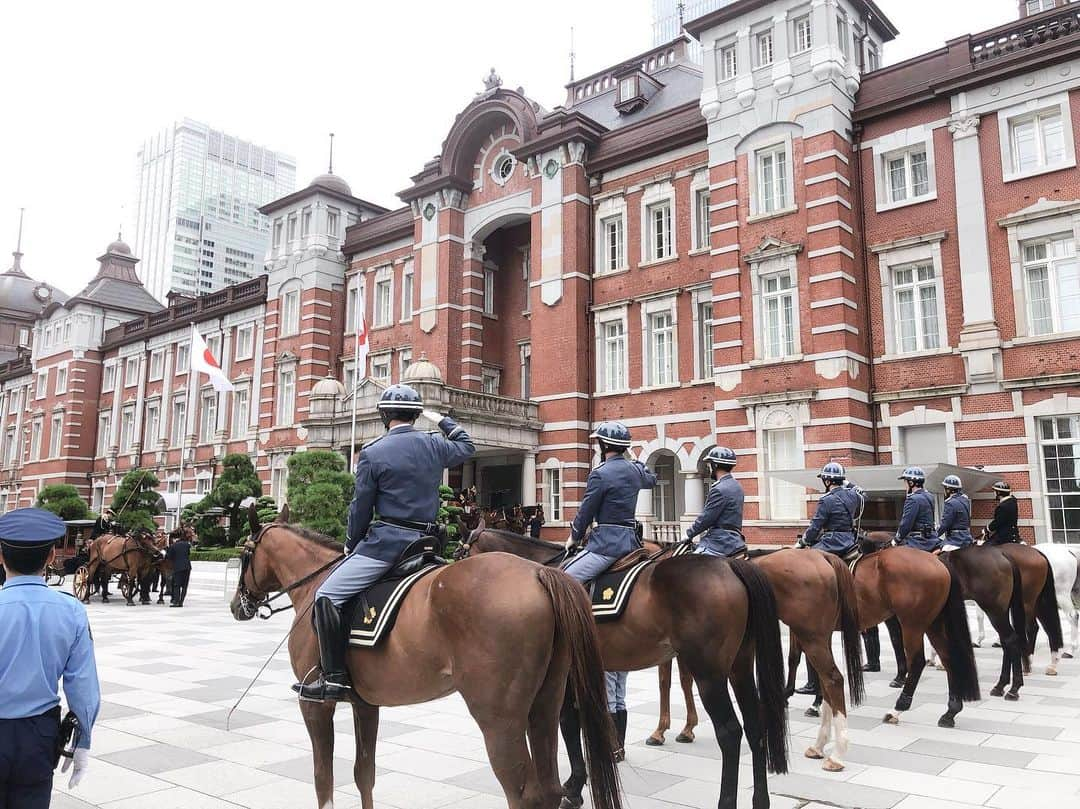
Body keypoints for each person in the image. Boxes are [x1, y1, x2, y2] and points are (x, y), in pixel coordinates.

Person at [294, 384, 475, 701]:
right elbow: (466, 444)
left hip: (388, 545)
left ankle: (334, 678)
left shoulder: (374, 452)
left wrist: (351, 543)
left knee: (325, 595)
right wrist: (441, 418)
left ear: (383, 415)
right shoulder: (433, 445)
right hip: (428, 544)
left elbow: (360, 507)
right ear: (416, 415)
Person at [0, 508, 100, 807]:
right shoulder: (71, 610)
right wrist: (83, 741)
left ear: (1, 557)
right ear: (50, 557)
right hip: (38, 735)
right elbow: (83, 686)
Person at [562, 422, 656, 583]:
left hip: (607, 545)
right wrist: (636, 461)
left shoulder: (600, 473)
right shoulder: (636, 470)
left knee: (563, 580)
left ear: (604, 445)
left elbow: (586, 511)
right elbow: (651, 480)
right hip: (632, 543)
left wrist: (574, 537)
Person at [686, 447, 746, 558]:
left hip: (719, 542)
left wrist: (689, 534)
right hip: (736, 540)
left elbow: (706, 519)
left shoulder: (719, 489)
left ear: (715, 465)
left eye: (709, 464)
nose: (708, 468)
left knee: (688, 566)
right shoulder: (737, 486)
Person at [799, 463, 863, 557]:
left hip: (832, 543)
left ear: (828, 482)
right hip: (850, 540)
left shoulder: (826, 500)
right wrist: (849, 484)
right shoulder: (853, 495)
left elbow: (816, 526)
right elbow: (863, 494)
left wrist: (804, 541)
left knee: (806, 557)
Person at [894, 466, 937, 551]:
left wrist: (896, 539)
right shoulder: (930, 496)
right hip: (932, 538)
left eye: (905, 482)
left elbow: (906, 524)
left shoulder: (912, 499)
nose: (904, 486)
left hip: (918, 541)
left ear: (911, 483)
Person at [938, 474, 973, 551]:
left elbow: (945, 524)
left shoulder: (950, 503)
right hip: (967, 537)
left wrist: (935, 535)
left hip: (955, 539)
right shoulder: (965, 500)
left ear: (948, 489)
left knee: (939, 555)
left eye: (944, 488)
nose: (944, 491)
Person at [984, 480, 1019, 545]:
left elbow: (998, 522)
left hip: (1004, 537)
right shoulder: (1012, 502)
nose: (994, 493)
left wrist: (987, 529)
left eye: (994, 491)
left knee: (984, 548)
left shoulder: (1003, 506)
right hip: (1014, 534)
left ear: (999, 492)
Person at [605, 671, 628, 763]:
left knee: (610, 701)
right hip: (626, 660)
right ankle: (620, 748)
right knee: (620, 700)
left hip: (610, 660)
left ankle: (612, 748)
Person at [166, 530, 192, 607]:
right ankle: (181, 602)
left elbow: (169, 557)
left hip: (177, 567)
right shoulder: (187, 545)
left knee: (176, 585)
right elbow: (188, 554)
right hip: (187, 567)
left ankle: (176, 602)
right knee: (184, 585)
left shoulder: (173, 546)